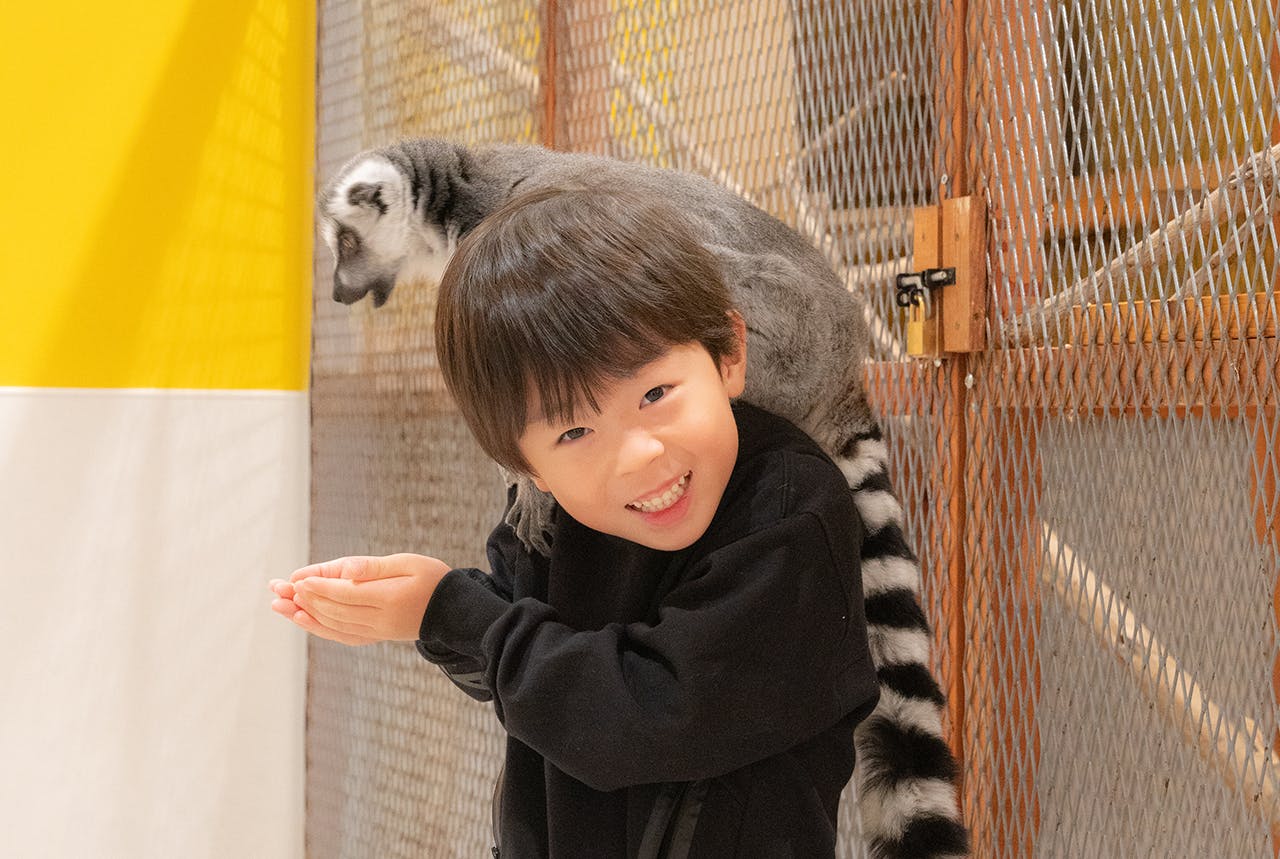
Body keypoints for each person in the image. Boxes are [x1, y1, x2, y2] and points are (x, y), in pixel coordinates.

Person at [270, 185, 879, 857]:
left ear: (728, 354)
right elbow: (519, 656)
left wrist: (454, 614)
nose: (639, 455)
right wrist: (425, 609)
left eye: (656, 393)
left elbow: (649, 718)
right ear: (524, 465)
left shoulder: (789, 511)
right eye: (575, 432)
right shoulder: (553, 515)